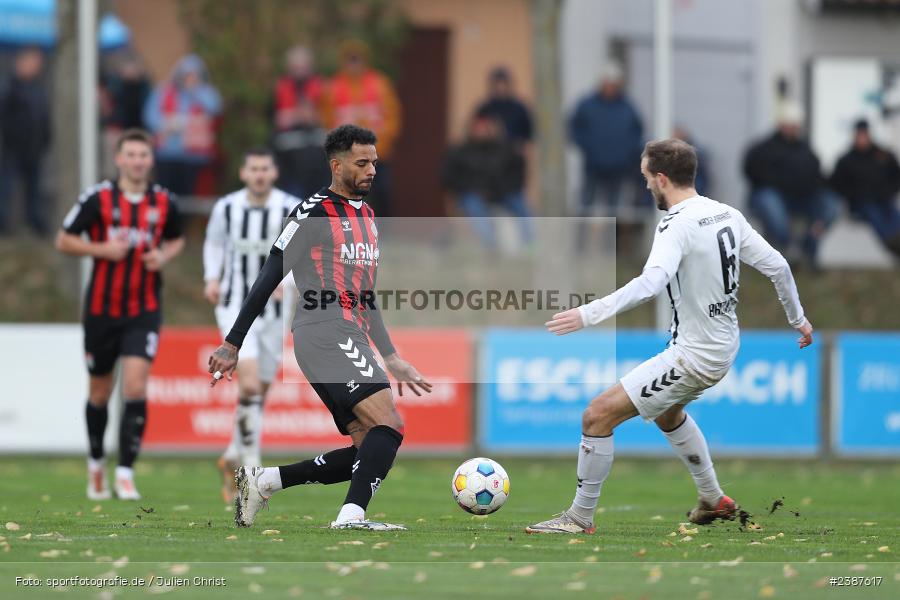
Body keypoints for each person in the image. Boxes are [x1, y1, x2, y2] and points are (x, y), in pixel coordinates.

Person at [526, 139, 813, 535]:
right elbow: (779, 265)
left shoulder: (675, 224)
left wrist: (586, 313)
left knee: (596, 415)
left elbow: (650, 284)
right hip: (723, 344)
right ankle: (712, 499)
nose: (646, 187)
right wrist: (797, 318)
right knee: (667, 413)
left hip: (696, 355)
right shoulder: (725, 213)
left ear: (662, 178)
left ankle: (578, 518)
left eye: (646, 178)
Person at [208, 125, 431, 530]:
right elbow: (269, 275)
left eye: (375, 163)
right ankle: (351, 517)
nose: (371, 171)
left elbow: (366, 294)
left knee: (368, 445)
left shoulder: (367, 215)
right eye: (362, 163)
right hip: (324, 330)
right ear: (337, 165)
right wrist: (232, 343)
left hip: (350, 333)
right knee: (390, 425)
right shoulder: (313, 212)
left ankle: (265, 481)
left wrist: (392, 355)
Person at [55, 129, 185, 501]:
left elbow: (176, 238)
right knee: (99, 391)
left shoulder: (164, 201)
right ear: (119, 159)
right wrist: (100, 249)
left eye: (143, 155)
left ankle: (125, 471)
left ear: (150, 160)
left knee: (135, 386)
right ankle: (96, 463)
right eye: (131, 155)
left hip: (143, 309)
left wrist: (164, 255)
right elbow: (63, 239)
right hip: (100, 309)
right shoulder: (98, 198)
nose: (138, 161)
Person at [203, 148, 300, 502]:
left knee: (259, 388)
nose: (259, 174)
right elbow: (214, 244)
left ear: (273, 172)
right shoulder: (226, 207)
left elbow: (304, 253)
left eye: (265, 168)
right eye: (253, 168)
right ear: (243, 173)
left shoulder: (290, 206)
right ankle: (251, 468)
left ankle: (231, 455)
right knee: (249, 386)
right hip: (233, 306)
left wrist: (286, 283)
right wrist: (212, 277)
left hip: (276, 312)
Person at [743, 103, 839, 267]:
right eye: (789, 124)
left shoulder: (806, 150)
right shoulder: (763, 149)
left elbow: (817, 176)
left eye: (795, 125)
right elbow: (752, 173)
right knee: (769, 201)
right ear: (780, 124)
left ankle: (809, 243)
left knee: (832, 204)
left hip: (803, 198)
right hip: (775, 197)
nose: (792, 128)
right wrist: (784, 183)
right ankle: (788, 248)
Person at [321, 40, 401, 216]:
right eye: (350, 59)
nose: (354, 64)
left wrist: (383, 142)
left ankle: (380, 234)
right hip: (347, 157)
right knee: (345, 196)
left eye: (357, 59)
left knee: (382, 194)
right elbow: (326, 122)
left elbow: (393, 117)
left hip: (377, 153)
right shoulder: (333, 88)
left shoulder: (380, 84)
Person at [441, 110, 532, 248]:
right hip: (472, 194)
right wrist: (470, 188)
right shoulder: (459, 151)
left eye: (485, 126)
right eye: (478, 126)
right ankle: (490, 246)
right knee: (474, 206)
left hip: (502, 194)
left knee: (520, 204)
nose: (481, 130)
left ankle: (531, 244)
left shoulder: (505, 149)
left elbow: (517, 174)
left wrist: (503, 189)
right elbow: (448, 176)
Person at [569, 62, 644, 215]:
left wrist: (627, 152)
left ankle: (610, 239)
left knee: (614, 209)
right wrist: (588, 148)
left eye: (613, 83)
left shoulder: (627, 106)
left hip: (618, 168)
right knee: (586, 206)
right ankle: (580, 239)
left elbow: (637, 131)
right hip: (593, 166)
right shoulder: (587, 105)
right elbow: (574, 128)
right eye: (607, 83)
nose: (610, 87)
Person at [143, 54, 223, 195]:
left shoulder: (207, 93)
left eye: (194, 75)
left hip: (195, 156)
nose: (190, 79)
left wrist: (195, 93)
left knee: (190, 196)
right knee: (165, 193)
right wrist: (167, 124)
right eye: (186, 75)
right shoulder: (163, 92)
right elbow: (150, 117)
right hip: (167, 153)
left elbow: (215, 110)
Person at [829, 119, 900, 257]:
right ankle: (892, 244)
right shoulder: (846, 160)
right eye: (859, 135)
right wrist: (854, 195)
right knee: (874, 214)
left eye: (864, 135)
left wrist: (889, 191)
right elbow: (836, 184)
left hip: (884, 199)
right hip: (861, 204)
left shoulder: (883, 155)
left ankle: (896, 242)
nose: (862, 139)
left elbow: (896, 176)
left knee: (894, 215)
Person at [0, 47, 51, 235]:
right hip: (14, 148)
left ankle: (35, 222)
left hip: (35, 148)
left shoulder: (38, 88)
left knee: (34, 189)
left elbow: (43, 118)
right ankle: (4, 224)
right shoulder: (9, 86)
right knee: (7, 187)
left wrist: (45, 140)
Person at [270, 46, 330, 199]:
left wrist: (308, 116)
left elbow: (329, 116)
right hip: (289, 160)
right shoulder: (281, 88)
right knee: (293, 202)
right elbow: (276, 118)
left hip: (317, 160)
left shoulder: (322, 87)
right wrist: (297, 116)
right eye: (296, 67)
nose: (300, 71)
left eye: (303, 67)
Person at [476, 66, 533, 150]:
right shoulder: (485, 108)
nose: (500, 87)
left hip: (514, 152)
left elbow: (528, 133)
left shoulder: (519, 108)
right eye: (498, 84)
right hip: (490, 153)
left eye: (503, 84)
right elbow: (476, 131)